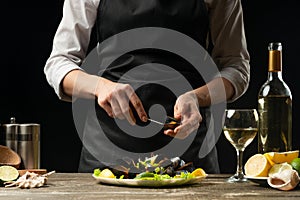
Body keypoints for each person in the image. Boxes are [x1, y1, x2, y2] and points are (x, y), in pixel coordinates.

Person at [44, 0, 250, 174]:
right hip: (107, 150)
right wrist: (100, 87)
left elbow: (236, 66)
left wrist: (198, 97)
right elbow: (59, 63)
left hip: (190, 151)